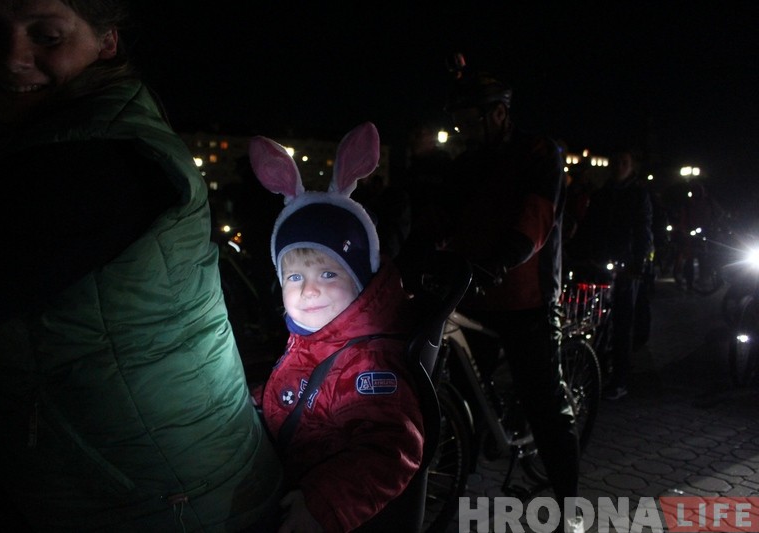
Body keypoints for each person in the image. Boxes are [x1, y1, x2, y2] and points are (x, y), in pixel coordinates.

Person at [0, 1, 282, 531]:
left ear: (106, 41)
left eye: (47, 35)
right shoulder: (54, 133)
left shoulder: (98, 160)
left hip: (161, 503)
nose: (13, 57)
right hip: (158, 485)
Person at [401, 59, 583, 532]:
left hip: (527, 297)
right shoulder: (466, 164)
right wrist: (403, 258)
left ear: (500, 113)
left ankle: (570, 506)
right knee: (461, 397)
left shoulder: (540, 152)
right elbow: (440, 218)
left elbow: (535, 221)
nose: (463, 127)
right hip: (473, 295)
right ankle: (459, 481)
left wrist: (497, 261)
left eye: (471, 117)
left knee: (545, 405)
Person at [248, 122, 425, 533]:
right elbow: (298, 395)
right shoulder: (313, 341)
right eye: (294, 278)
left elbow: (390, 447)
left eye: (328, 274)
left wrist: (323, 504)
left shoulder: (366, 365)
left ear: (360, 281)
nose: (309, 290)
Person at [569, 149, 653, 400]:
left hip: (625, 266)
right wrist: (576, 253)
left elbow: (643, 230)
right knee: (590, 317)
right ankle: (593, 366)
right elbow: (588, 226)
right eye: (616, 161)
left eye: (624, 162)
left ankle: (620, 379)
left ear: (631, 167)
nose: (618, 166)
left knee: (622, 323)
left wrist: (638, 263)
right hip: (600, 263)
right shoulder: (602, 194)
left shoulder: (638, 195)